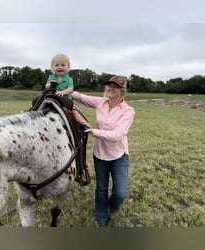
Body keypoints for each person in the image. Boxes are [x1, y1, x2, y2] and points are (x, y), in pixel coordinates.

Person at [72, 75, 135, 227]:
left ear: (122, 90)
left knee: (120, 192)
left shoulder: (128, 111)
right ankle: (101, 215)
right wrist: (63, 88)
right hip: (100, 153)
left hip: (119, 155)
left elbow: (118, 135)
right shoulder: (101, 102)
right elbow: (82, 97)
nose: (110, 88)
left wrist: (92, 131)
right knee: (101, 187)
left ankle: (114, 207)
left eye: (115, 86)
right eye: (109, 85)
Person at [33, 53, 91, 132]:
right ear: (52, 68)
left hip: (64, 97)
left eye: (63, 65)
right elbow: (46, 86)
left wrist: (63, 92)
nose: (60, 67)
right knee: (37, 100)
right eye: (56, 65)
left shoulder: (68, 79)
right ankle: (32, 114)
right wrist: (50, 84)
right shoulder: (51, 77)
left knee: (72, 109)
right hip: (51, 95)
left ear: (68, 68)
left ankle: (82, 123)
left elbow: (71, 88)